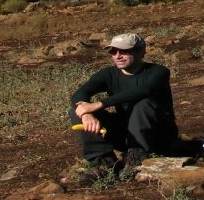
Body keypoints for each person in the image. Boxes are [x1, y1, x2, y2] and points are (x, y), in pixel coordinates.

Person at [70, 33, 179, 185]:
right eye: (113, 52)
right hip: (126, 135)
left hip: (158, 135)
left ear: (141, 52)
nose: (118, 56)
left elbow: (144, 91)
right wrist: (87, 113)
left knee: (143, 103)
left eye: (124, 51)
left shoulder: (158, 72)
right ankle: (104, 162)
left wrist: (99, 104)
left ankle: (137, 157)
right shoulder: (109, 74)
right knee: (78, 110)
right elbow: (79, 94)